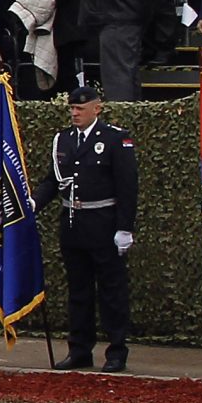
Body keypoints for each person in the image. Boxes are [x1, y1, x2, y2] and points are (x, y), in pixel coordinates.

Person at [33, 85, 139, 373]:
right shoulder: (63, 140)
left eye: (80, 108)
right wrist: (32, 204)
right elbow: (52, 182)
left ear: (97, 108)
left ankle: (116, 351)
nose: (75, 113)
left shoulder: (115, 138)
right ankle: (80, 349)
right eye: (72, 108)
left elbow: (127, 187)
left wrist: (124, 228)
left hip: (104, 225)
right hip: (73, 225)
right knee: (78, 292)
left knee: (111, 292)